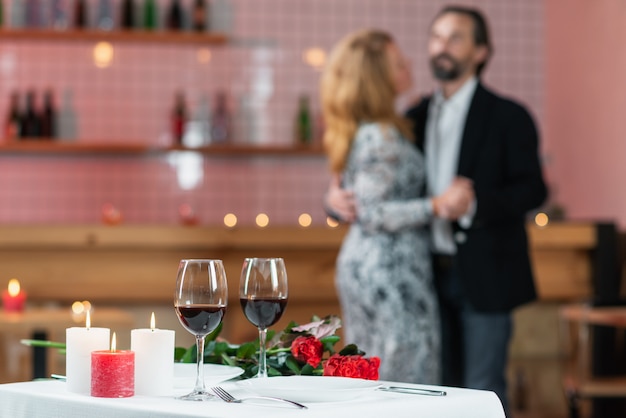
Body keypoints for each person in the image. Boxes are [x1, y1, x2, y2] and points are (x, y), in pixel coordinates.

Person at [325, 6, 547, 414]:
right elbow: (374, 188)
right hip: (423, 277)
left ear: (481, 51)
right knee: (432, 392)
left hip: (486, 276)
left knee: (482, 390)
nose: (442, 47)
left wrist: (474, 203)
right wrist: (333, 201)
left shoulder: (509, 116)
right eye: (436, 37)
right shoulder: (413, 116)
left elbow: (533, 190)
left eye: (456, 37)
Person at [321, 28, 474, 384]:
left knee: (371, 373)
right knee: (403, 380)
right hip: (391, 272)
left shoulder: (369, 129)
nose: (408, 65)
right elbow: (372, 213)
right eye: (397, 62)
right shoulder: (381, 136)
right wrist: (437, 205)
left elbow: (352, 201)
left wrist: (331, 203)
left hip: (369, 266)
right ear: (377, 76)